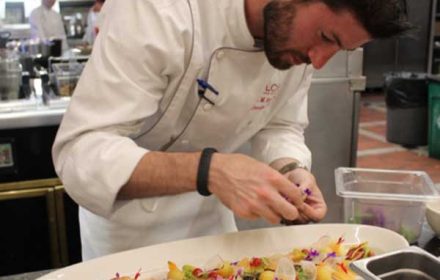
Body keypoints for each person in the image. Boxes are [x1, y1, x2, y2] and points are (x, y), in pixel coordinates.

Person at [52, 0, 411, 260]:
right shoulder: (159, 10)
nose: (319, 60)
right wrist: (212, 170)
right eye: (325, 36)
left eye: (340, 49)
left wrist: (291, 170)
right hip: (127, 238)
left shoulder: (297, 45)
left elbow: (281, 124)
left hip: (212, 229)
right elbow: (80, 151)